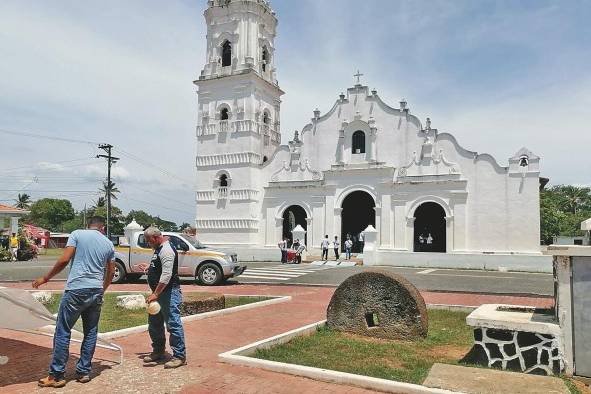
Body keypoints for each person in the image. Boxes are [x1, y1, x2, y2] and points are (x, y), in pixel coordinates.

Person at [32, 217, 115, 388]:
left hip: (76, 289)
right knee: (91, 332)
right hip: (95, 291)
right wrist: (102, 289)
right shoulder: (108, 243)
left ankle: (56, 375)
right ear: (103, 228)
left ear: (88, 226)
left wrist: (45, 278)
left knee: (63, 331)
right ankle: (84, 371)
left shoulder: (77, 234)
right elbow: (111, 271)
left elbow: (64, 259)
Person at [142, 226, 187, 369]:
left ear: (156, 238)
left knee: (173, 324)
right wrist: (150, 268)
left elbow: (167, 275)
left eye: (149, 241)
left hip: (167, 293)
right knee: (154, 324)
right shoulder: (159, 248)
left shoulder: (166, 250)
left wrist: (155, 293)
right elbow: (160, 267)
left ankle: (179, 356)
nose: (148, 244)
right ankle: (158, 350)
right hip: (159, 293)